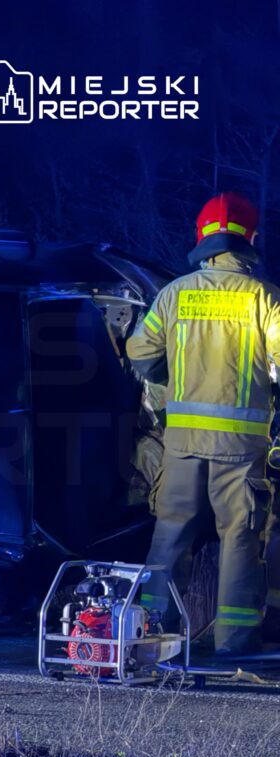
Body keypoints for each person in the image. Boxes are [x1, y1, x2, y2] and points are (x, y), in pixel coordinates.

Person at [127, 191, 280, 656]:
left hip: (182, 443)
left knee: (171, 533)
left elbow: (139, 352)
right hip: (241, 447)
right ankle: (235, 640)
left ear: (203, 239)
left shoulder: (174, 294)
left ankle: (154, 636)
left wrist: (173, 375)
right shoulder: (264, 298)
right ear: (250, 239)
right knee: (240, 536)